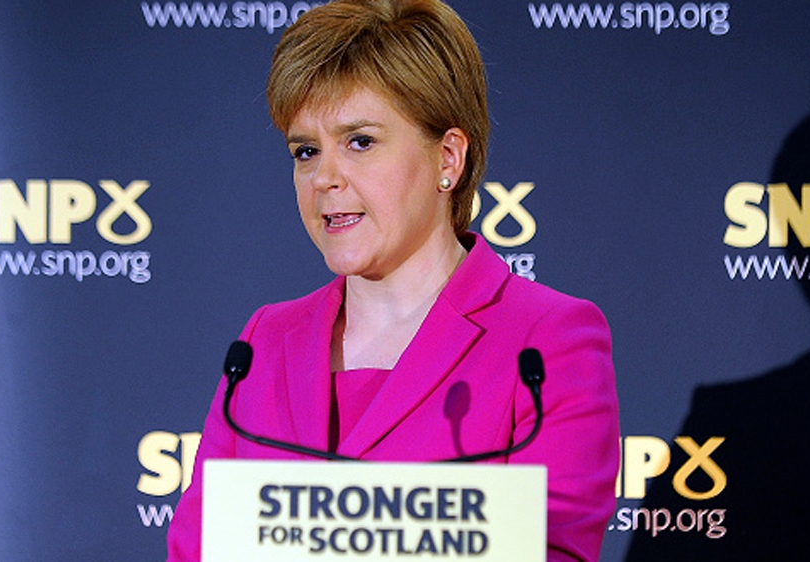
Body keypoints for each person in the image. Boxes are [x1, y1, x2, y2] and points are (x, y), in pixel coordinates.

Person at [167, 1, 620, 560]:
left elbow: (554, 549)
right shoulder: (265, 339)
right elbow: (196, 546)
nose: (325, 178)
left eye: (360, 141)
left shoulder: (548, 338)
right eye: (306, 151)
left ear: (447, 158)